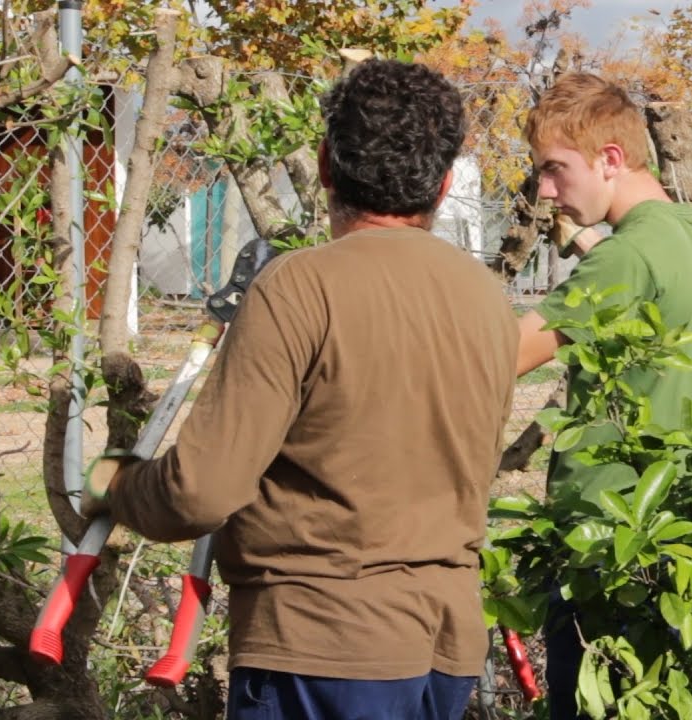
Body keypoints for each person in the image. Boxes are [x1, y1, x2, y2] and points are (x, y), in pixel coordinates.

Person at [82, 59, 519, 720]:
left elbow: (200, 491)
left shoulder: (298, 287)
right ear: (446, 181)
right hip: (446, 648)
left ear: (323, 164)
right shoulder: (487, 298)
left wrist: (118, 485)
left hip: (321, 648)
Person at [515, 72, 692, 720]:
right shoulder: (689, 235)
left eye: (555, 169)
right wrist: (585, 242)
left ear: (611, 159)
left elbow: (500, 358)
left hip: (600, 542)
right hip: (663, 530)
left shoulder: (625, 258)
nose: (545, 191)